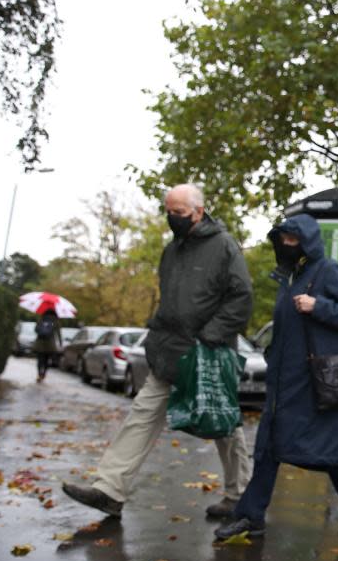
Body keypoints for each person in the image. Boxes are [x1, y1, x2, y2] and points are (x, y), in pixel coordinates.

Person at [62, 184, 254, 518]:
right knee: (141, 416)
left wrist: (212, 334)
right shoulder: (172, 250)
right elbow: (170, 299)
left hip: (207, 353)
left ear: (197, 211)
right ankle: (110, 489)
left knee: (225, 424)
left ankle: (241, 497)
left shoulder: (224, 246)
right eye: (168, 211)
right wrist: (157, 327)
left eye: (178, 213)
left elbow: (242, 298)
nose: (172, 218)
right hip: (169, 351)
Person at [214, 214, 338, 541]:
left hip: (318, 385)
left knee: (335, 454)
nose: (286, 245)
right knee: (268, 447)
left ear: (307, 241)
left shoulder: (327, 271)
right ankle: (252, 517)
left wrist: (318, 305)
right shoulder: (290, 277)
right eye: (283, 240)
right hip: (285, 384)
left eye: (293, 239)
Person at [32, 309, 62, 382]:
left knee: (40, 360)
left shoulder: (41, 319)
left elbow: (35, 330)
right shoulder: (55, 321)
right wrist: (61, 343)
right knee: (47, 360)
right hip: (50, 344)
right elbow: (58, 333)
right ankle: (44, 374)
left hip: (40, 343)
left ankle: (39, 374)